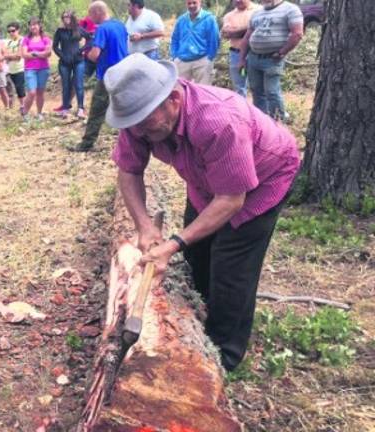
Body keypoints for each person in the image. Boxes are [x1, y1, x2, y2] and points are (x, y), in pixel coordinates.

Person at [105, 53, 300, 371]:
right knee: (197, 254)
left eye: (145, 122)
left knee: (230, 267)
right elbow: (128, 172)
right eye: (133, 124)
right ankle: (197, 317)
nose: (139, 132)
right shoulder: (139, 123)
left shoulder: (217, 120)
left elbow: (231, 199)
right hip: (207, 181)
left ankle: (222, 357)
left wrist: (172, 243)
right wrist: (144, 227)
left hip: (263, 180)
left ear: (173, 98)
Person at [70, 1, 128, 152]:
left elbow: (95, 55)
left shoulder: (102, 28)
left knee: (97, 109)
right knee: (126, 106)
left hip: (109, 74)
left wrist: (86, 54)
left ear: (97, 13)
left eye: (90, 14)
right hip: (124, 71)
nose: (90, 18)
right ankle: (133, 139)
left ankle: (87, 143)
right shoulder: (120, 25)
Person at [240, 0, 304, 120]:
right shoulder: (257, 13)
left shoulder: (291, 9)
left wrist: (282, 52)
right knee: (256, 91)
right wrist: (242, 59)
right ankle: (261, 121)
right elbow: (247, 37)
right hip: (253, 58)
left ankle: (278, 120)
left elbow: (297, 34)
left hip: (272, 59)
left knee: (272, 92)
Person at [170, 0, 220, 85]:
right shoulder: (181, 20)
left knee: (203, 90)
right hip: (182, 60)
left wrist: (210, 58)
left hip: (202, 60)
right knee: (180, 91)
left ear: (200, 2)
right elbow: (175, 39)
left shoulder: (209, 19)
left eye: (194, 2)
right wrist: (175, 56)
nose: (191, 5)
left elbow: (214, 40)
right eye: (189, 3)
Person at [53, 10, 88, 118]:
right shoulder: (60, 31)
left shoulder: (78, 29)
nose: (66, 18)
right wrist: (62, 56)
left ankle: (81, 108)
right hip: (64, 62)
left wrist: (82, 49)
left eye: (68, 16)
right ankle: (65, 108)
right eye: (64, 17)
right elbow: (55, 46)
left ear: (72, 17)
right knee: (66, 85)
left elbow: (90, 39)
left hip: (78, 61)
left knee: (78, 84)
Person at [222, 0, 260, 97]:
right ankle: (243, 110)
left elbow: (258, 30)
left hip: (254, 55)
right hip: (237, 57)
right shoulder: (229, 16)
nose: (238, 0)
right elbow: (226, 34)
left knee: (257, 86)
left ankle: (260, 111)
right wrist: (249, 29)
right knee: (240, 86)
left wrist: (235, 32)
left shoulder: (259, 10)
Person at [20, 17, 52, 121]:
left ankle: (39, 113)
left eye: (35, 24)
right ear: (29, 27)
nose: (33, 26)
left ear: (39, 26)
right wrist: (41, 54)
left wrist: (34, 53)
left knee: (40, 92)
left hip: (43, 68)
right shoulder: (26, 39)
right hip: (30, 69)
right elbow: (24, 54)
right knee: (32, 92)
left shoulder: (45, 38)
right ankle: (25, 113)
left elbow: (48, 53)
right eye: (31, 25)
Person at [4, 22, 26, 110]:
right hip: (10, 69)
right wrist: (10, 56)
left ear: (18, 30)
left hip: (20, 69)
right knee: (10, 90)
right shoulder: (8, 42)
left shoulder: (22, 40)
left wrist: (9, 56)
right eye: (9, 31)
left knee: (20, 88)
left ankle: (23, 107)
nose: (11, 33)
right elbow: (5, 56)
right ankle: (11, 108)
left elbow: (18, 57)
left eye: (13, 31)